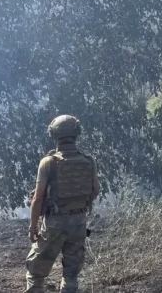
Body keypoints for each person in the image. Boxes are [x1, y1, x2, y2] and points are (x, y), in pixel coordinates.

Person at [25, 114, 100, 293]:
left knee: (35, 272)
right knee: (71, 274)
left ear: (54, 135)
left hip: (54, 222)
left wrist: (33, 227)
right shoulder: (89, 161)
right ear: (77, 133)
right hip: (79, 220)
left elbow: (38, 198)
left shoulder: (48, 163)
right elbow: (95, 190)